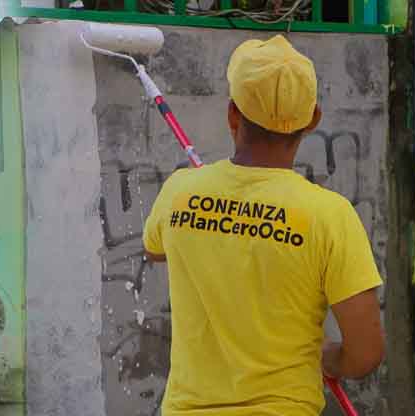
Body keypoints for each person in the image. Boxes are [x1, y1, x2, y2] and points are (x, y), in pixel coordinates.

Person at [142, 35, 385, 415]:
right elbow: (366, 353)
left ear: (232, 114)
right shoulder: (329, 215)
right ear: (312, 120)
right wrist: (329, 359)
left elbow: (155, 249)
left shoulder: (180, 191)